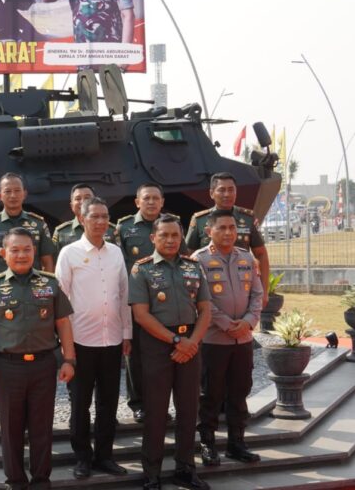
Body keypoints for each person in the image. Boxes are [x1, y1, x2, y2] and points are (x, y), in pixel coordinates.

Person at [0, 227, 76, 490]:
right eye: (15, 250)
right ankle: (16, 481)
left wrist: (69, 359)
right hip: (9, 367)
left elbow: (63, 323)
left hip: (44, 365)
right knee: (11, 429)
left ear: (34, 252)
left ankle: (42, 480)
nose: (21, 254)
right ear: (3, 253)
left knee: (42, 427)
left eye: (27, 249)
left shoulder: (50, 282)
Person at [129, 214, 212, 490]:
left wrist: (192, 342)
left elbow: (206, 310)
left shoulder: (193, 266)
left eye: (175, 235)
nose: (170, 240)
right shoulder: (141, 270)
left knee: (189, 410)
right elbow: (141, 315)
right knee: (156, 411)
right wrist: (178, 341)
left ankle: (185, 469)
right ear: (153, 238)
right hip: (157, 344)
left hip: (191, 343)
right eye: (164, 235)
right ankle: (151, 472)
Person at [55, 197, 130, 480]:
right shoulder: (69, 253)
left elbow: (124, 295)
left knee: (109, 402)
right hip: (80, 342)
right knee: (80, 403)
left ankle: (105, 456)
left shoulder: (116, 253)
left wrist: (126, 333)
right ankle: (82, 458)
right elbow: (60, 300)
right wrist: (66, 346)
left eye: (105, 216)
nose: (100, 222)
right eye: (94, 216)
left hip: (111, 340)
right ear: (82, 218)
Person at [192, 210, 263, 467]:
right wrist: (224, 323)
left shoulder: (246, 257)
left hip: (242, 341)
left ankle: (236, 443)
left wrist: (248, 322)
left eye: (232, 228)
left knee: (239, 392)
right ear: (209, 231)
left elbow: (257, 294)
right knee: (210, 394)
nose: (228, 232)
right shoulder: (198, 260)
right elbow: (201, 300)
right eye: (222, 228)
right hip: (213, 341)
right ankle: (207, 444)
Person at [115, 182, 179, 423]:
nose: (151, 202)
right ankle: (138, 403)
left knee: (163, 353)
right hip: (137, 301)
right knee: (136, 355)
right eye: (146, 198)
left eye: (156, 198)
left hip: (165, 301)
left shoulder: (172, 224)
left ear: (162, 201)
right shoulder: (124, 227)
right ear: (137, 202)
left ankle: (160, 403)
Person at [185, 172, 270, 304]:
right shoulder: (200, 220)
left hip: (241, 286)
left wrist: (264, 291)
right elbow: (187, 257)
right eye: (222, 190)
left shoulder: (247, 218)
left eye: (231, 190)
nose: (227, 194)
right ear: (212, 193)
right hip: (209, 288)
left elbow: (261, 254)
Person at [0, 172, 56, 298]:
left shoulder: (38, 224)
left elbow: (48, 262)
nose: (13, 195)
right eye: (7, 191)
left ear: (24, 194)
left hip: (34, 293)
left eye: (17, 190)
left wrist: (47, 294)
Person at [52, 183, 116, 256]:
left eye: (87, 198)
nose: (83, 202)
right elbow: (53, 264)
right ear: (72, 205)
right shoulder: (61, 233)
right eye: (78, 199)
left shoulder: (111, 230)